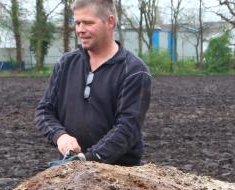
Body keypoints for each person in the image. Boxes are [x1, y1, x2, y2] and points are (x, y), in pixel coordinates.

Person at [34, 0, 151, 166]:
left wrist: (89, 159)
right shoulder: (66, 64)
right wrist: (60, 136)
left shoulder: (133, 71)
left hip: (120, 175)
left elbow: (127, 128)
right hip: (71, 168)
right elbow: (44, 111)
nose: (80, 29)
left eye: (88, 23)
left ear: (110, 22)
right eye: (77, 23)